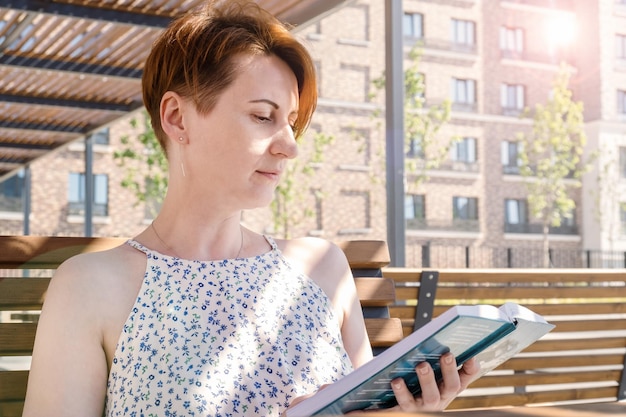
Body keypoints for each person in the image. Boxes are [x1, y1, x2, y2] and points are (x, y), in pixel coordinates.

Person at [22, 1, 479, 416]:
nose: (289, 147)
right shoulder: (89, 287)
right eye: (263, 116)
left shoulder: (324, 269)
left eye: (292, 124)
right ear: (177, 118)